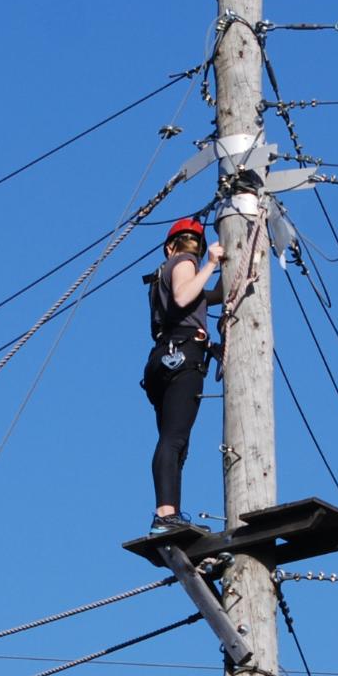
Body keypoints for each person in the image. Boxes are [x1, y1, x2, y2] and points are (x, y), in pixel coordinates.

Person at [141, 216, 224, 534]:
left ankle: (169, 513)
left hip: (162, 360)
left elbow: (207, 296)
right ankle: (165, 516)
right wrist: (210, 263)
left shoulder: (164, 275)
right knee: (175, 440)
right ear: (171, 249)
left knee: (174, 441)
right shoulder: (184, 262)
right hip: (182, 356)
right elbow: (184, 296)